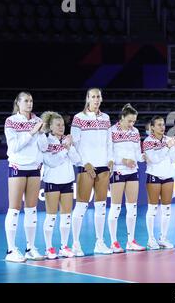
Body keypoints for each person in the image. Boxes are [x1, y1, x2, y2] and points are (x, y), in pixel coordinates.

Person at [4, 91, 48, 262]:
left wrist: (41, 132)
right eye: (26, 101)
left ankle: (30, 248)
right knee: (14, 209)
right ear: (18, 103)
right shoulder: (11, 121)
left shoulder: (37, 121)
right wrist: (31, 132)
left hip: (34, 168)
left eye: (31, 101)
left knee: (32, 210)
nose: (29, 104)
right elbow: (14, 146)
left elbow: (43, 148)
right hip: (18, 167)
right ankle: (11, 250)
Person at [70, 88, 114, 256]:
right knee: (81, 206)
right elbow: (74, 145)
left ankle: (100, 243)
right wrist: (84, 163)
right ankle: (75, 244)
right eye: (93, 97)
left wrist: (110, 159)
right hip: (86, 167)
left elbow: (109, 142)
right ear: (87, 99)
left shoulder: (106, 118)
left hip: (103, 166)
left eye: (98, 97)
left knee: (101, 206)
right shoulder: (78, 118)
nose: (96, 99)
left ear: (101, 99)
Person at [41, 111, 80, 259]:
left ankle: (64, 246)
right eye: (58, 125)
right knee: (51, 216)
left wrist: (69, 147)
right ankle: (49, 248)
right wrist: (65, 149)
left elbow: (77, 160)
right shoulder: (46, 142)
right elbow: (52, 162)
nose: (61, 127)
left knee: (66, 216)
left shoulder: (67, 141)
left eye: (63, 124)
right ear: (50, 126)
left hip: (67, 181)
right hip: (52, 182)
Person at [108, 104, 145, 253]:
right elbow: (109, 153)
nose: (132, 124)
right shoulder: (111, 131)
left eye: (134, 121)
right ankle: (113, 242)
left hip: (133, 171)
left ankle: (131, 241)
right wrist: (123, 161)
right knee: (115, 208)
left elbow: (137, 153)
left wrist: (143, 157)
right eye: (129, 121)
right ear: (122, 117)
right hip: (118, 170)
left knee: (132, 207)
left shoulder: (135, 132)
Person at [143, 115, 175, 249]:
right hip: (154, 176)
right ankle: (151, 239)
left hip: (168, 176)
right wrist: (166, 147)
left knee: (167, 209)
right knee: (152, 209)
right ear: (152, 127)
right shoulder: (148, 141)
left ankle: (163, 238)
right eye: (158, 125)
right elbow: (154, 159)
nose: (162, 127)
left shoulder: (169, 140)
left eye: (163, 124)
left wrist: (174, 146)